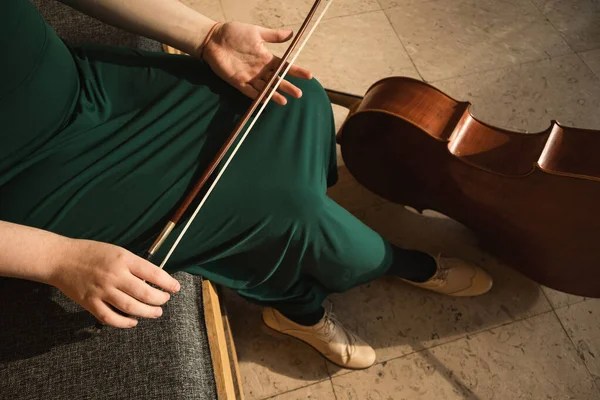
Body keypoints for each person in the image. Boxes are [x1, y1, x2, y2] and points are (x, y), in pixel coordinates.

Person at [0, 0, 492, 370]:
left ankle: (299, 264)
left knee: (296, 100)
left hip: (86, 85)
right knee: (286, 213)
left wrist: (207, 34)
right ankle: (317, 297)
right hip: (29, 175)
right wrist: (56, 257)